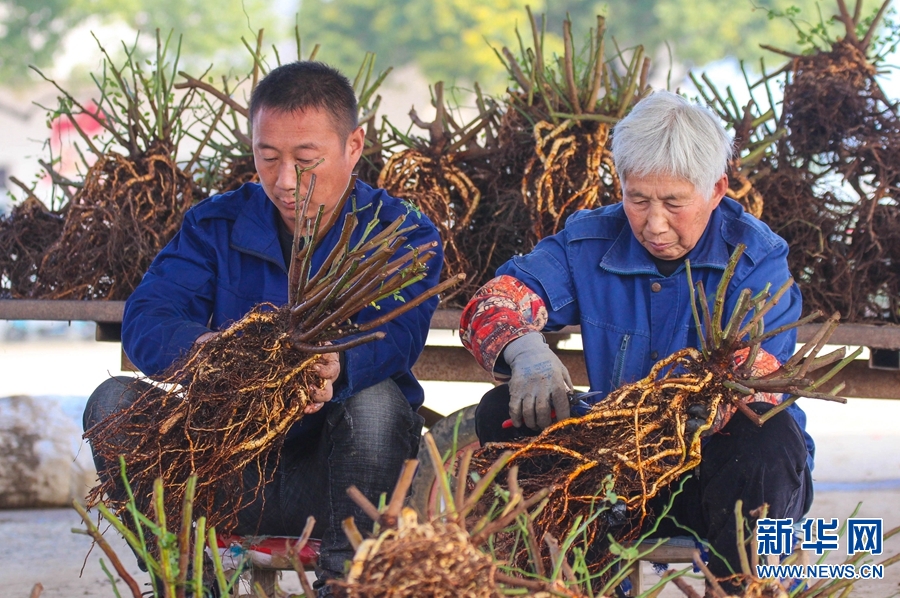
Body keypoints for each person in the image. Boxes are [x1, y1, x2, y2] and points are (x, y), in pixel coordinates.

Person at [83, 61, 442, 596]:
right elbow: (150, 313)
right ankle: (185, 583)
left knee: (377, 404)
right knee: (113, 403)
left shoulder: (401, 234)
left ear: (354, 144)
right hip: (228, 467)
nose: (282, 180)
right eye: (266, 157)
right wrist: (205, 352)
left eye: (305, 160)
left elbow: (400, 335)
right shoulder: (215, 225)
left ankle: (348, 584)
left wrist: (337, 366)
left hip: (344, 477)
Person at [460, 90, 813, 592]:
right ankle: (566, 579)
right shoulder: (589, 241)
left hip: (714, 471)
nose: (654, 223)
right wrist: (527, 350)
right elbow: (496, 301)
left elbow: (757, 370)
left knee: (768, 437)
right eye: (638, 199)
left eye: (674, 203)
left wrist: (673, 415)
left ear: (716, 189)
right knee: (503, 411)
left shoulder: (756, 258)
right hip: (609, 473)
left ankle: (743, 584)